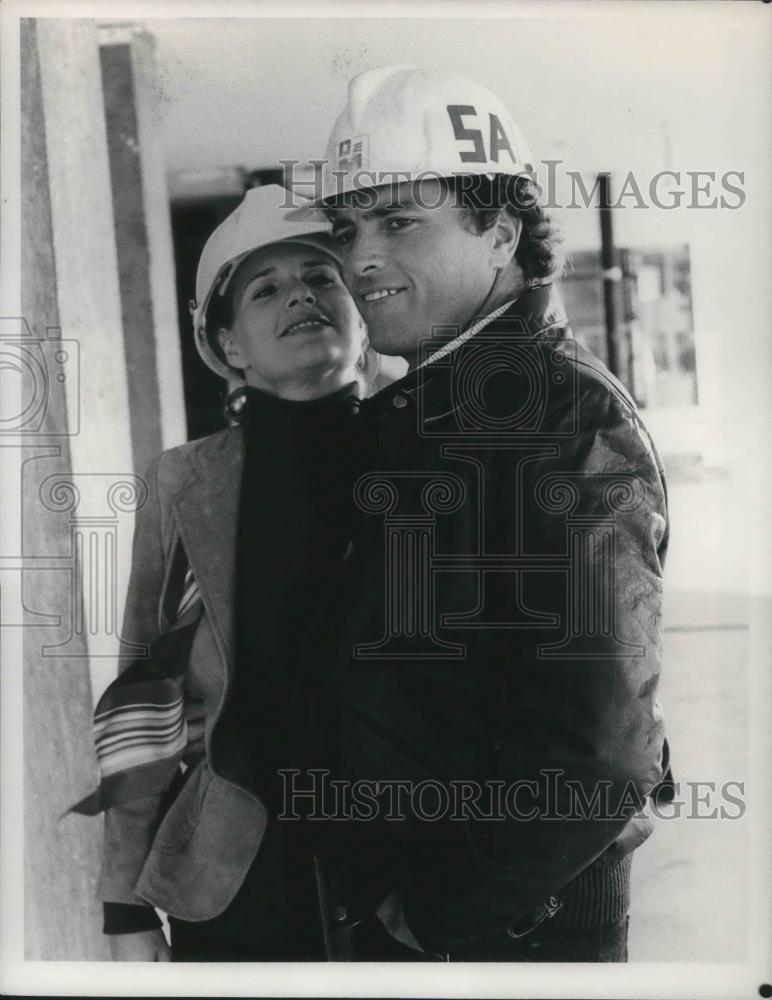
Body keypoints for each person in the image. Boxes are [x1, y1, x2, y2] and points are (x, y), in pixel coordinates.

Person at [291, 66, 672, 962]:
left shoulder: (561, 422)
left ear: (500, 234)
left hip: (491, 936)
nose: (361, 259)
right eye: (350, 229)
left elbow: (598, 753)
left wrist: (436, 915)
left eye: (399, 222)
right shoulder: (445, 407)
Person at [80, 184, 377, 961]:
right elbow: (143, 706)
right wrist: (125, 906)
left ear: (360, 310)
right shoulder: (183, 486)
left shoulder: (423, 455)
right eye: (265, 288)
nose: (300, 297)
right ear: (230, 344)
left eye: (322, 278)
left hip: (402, 870)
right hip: (236, 872)